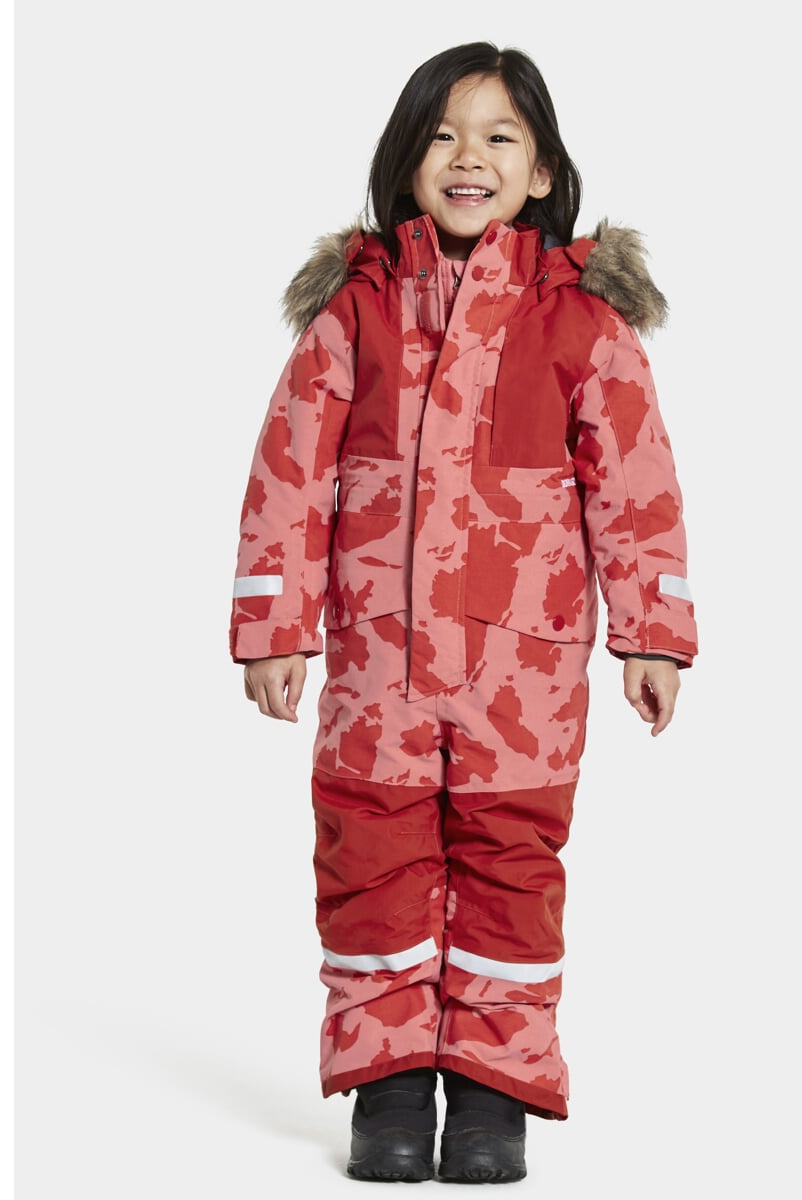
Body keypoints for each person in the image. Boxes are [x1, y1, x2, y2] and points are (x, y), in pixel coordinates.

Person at [228, 41, 698, 1184]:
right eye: (442, 136)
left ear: (542, 171)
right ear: (406, 162)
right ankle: (389, 1085)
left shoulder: (580, 322)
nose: (468, 157)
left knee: (510, 869)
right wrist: (275, 627)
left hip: (521, 675)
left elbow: (634, 483)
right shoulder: (356, 311)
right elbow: (291, 473)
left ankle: (493, 1090)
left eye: (498, 137)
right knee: (372, 860)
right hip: (376, 665)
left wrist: (651, 633)